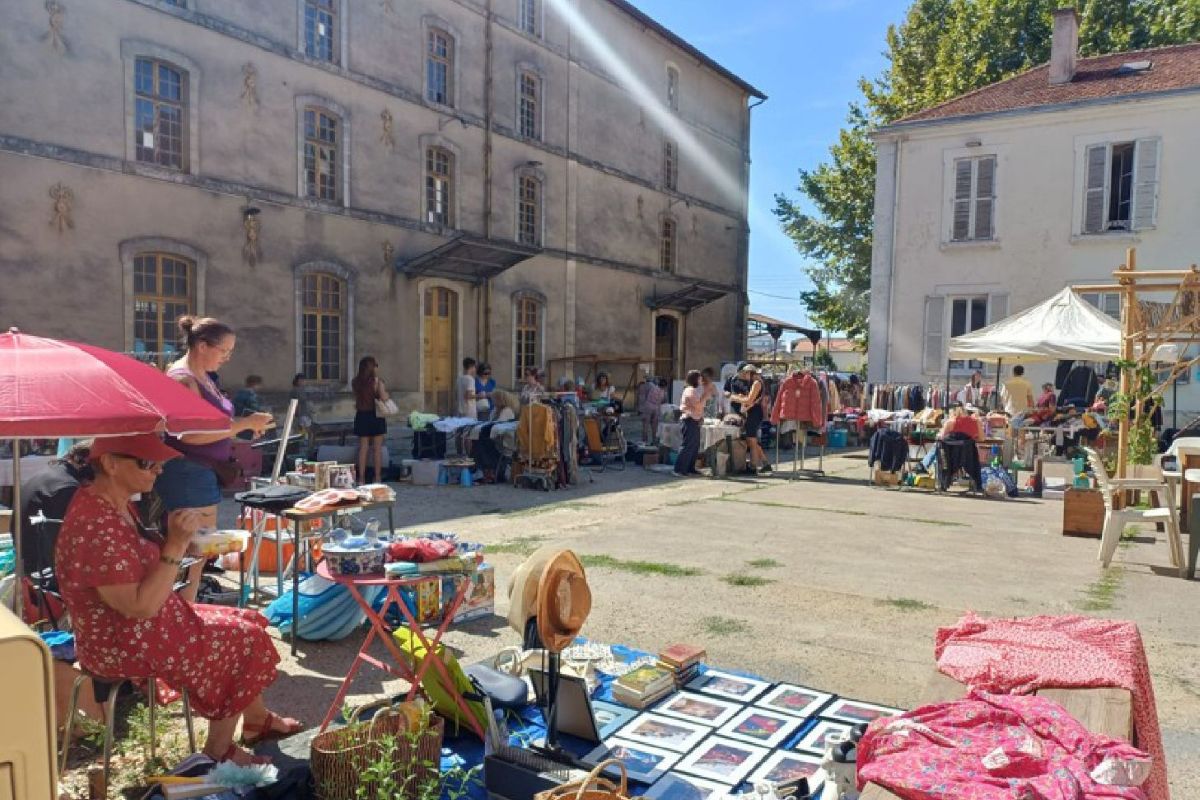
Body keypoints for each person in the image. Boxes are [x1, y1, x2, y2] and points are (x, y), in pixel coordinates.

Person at [55, 434, 300, 766]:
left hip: (139, 624)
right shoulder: (97, 525)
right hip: (122, 641)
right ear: (111, 464)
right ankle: (220, 750)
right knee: (245, 639)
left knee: (248, 620)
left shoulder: (112, 502)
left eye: (160, 463)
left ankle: (256, 720)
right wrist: (175, 544)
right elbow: (138, 606)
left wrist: (187, 545)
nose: (157, 471)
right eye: (147, 463)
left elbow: (140, 579)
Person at [158, 317, 273, 600]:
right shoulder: (182, 379)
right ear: (201, 346)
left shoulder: (203, 378)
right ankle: (180, 616)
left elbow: (213, 430)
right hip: (188, 474)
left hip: (202, 473)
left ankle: (189, 614)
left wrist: (241, 431)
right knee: (187, 553)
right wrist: (244, 423)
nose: (226, 358)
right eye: (224, 351)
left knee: (198, 556)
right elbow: (189, 435)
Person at [19, 439, 93, 575]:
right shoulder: (67, 488)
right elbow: (67, 542)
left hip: (27, 559)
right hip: (41, 570)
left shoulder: (53, 473)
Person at [352, 356, 390, 484]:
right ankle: (377, 477)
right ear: (372, 367)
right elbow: (384, 397)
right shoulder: (377, 381)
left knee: (363, 448)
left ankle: (361, 478)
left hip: (361, 415)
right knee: (377, 449)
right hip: (376, 416)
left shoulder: (356, 382)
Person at [729, 363, 771, 474]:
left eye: (745, 374)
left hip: (754, 414)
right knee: (751, 440)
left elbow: (749, 401)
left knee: (752, 441)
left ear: (750, 373)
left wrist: (735, 398)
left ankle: (753, 467)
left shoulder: (756, 383)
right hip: (753, 413)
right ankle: (764, 463)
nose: (744, 377)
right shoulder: (755, 382)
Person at [674, 370, 705, 477]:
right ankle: (679, 469)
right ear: (695, 379)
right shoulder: (690, 390)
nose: (701, 380)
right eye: (699, 378)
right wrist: (706, 396)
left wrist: (701, 417)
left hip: (695, 420)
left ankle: (690, 468)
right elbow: (697, 405)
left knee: (695, 446)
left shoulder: (695, 390)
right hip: (689, 420)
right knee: (688, 445)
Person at [233, 375, 266, 440]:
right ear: (255, 384)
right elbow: (254, 408)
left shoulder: (239, 393)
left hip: (236, 423)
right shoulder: (250, 394)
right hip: (247, 424)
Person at [638, 375, 667, 443]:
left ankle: (644, 441)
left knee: (645, 424)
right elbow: (663, 401)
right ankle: (654, 441)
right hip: (656, 408)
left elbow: (644, 396)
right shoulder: (663, 392)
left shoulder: (653, 387)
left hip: (648, 406)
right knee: (654, 426)